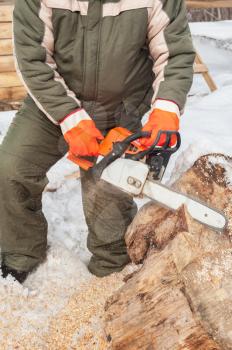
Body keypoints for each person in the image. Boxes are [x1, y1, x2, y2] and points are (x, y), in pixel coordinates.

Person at [0, 0, 195, 283]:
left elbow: (175, 53)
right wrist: (70, 118)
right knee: (11, 169)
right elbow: (34, 60)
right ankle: (21, 252)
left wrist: (166, 107)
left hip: (120, 106)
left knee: (108, 188)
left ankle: (111, 269)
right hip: (52, 101)